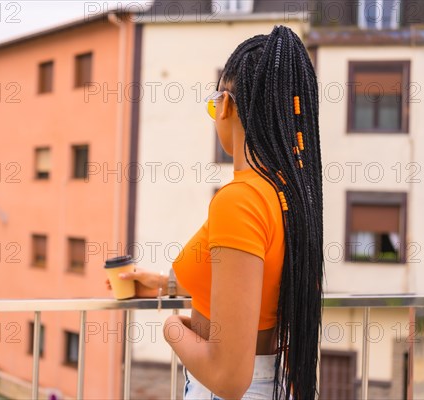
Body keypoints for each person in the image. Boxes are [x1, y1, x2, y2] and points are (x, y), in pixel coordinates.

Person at [106, 25, 324, 400]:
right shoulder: (286, 193)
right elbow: (250, 282)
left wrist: (173, 327)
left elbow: (228, 377)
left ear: (225, 105)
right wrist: (166, 285)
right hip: (272, 382)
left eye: (212, 104)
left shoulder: (239, 200)